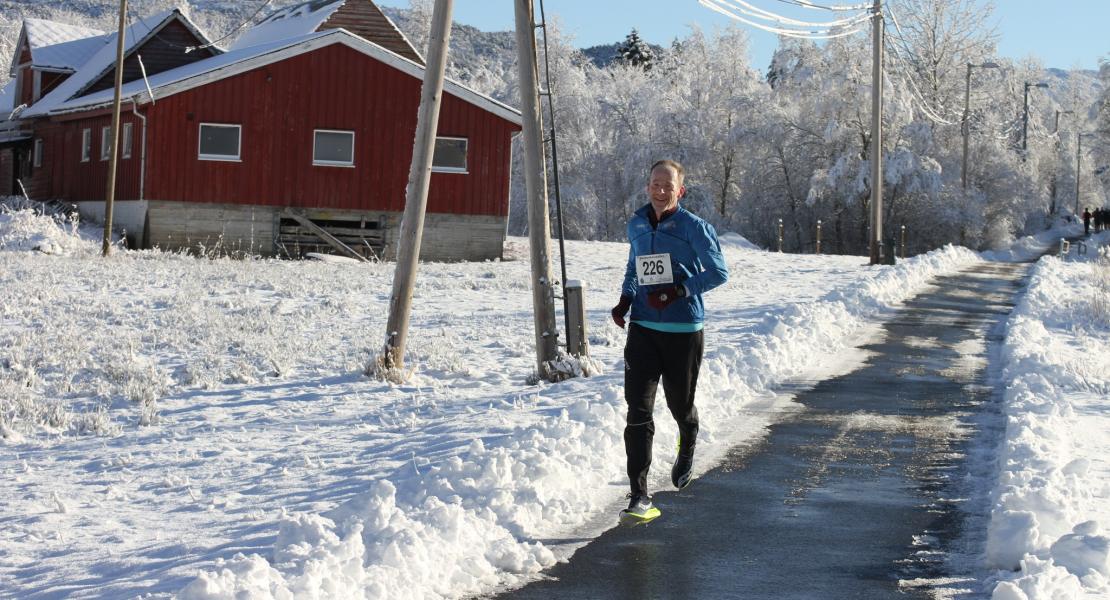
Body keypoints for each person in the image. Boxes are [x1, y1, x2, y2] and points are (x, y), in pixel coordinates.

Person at [610, 159, 729, 525]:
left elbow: (718, 272)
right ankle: (640, 496)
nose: (660, 190)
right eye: (654, 183)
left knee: (680, 405)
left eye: (668, 185)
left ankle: (688, 434)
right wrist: (626, 300)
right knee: (638, 411)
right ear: (647, 186)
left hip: (683, 331)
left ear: (680, 191)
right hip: (643, 328)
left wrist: (679, 290)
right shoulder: (636, 224)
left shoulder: (695, 227)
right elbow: (635, 268)